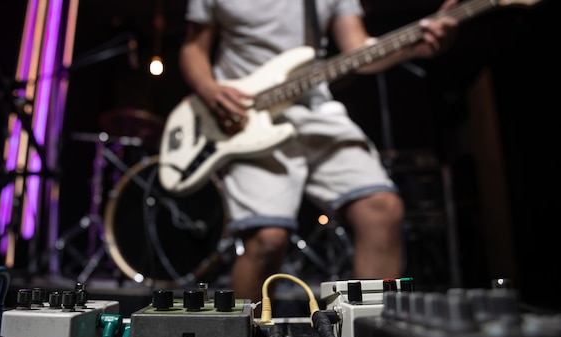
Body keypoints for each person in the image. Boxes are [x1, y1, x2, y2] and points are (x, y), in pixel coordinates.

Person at [178, 0, 459, 308]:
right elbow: (194, 47)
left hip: (315, 110)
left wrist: (414, 47)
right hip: (245, 120)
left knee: (381, 209)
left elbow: (358, 51)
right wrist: (209, 89)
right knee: (266, 240)